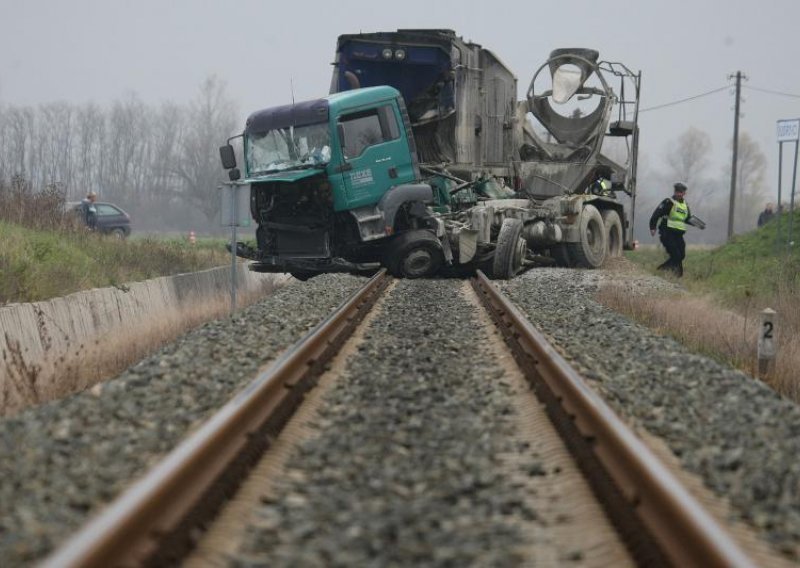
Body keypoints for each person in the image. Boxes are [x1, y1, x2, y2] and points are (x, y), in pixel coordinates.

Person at [649, 182, 693, 277]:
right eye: (677, 192)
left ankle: (663, 270)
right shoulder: (668, 202)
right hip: (667, 233)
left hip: (678, 235)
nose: (679, 194)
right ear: (675, 191)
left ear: (684, 193)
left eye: (681, 192)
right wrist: (652, 227)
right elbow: (656, 213)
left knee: (682, 255)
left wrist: (696, 223)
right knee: (676, 255)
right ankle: (676, 274)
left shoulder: (685, 205)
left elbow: (687, 218)